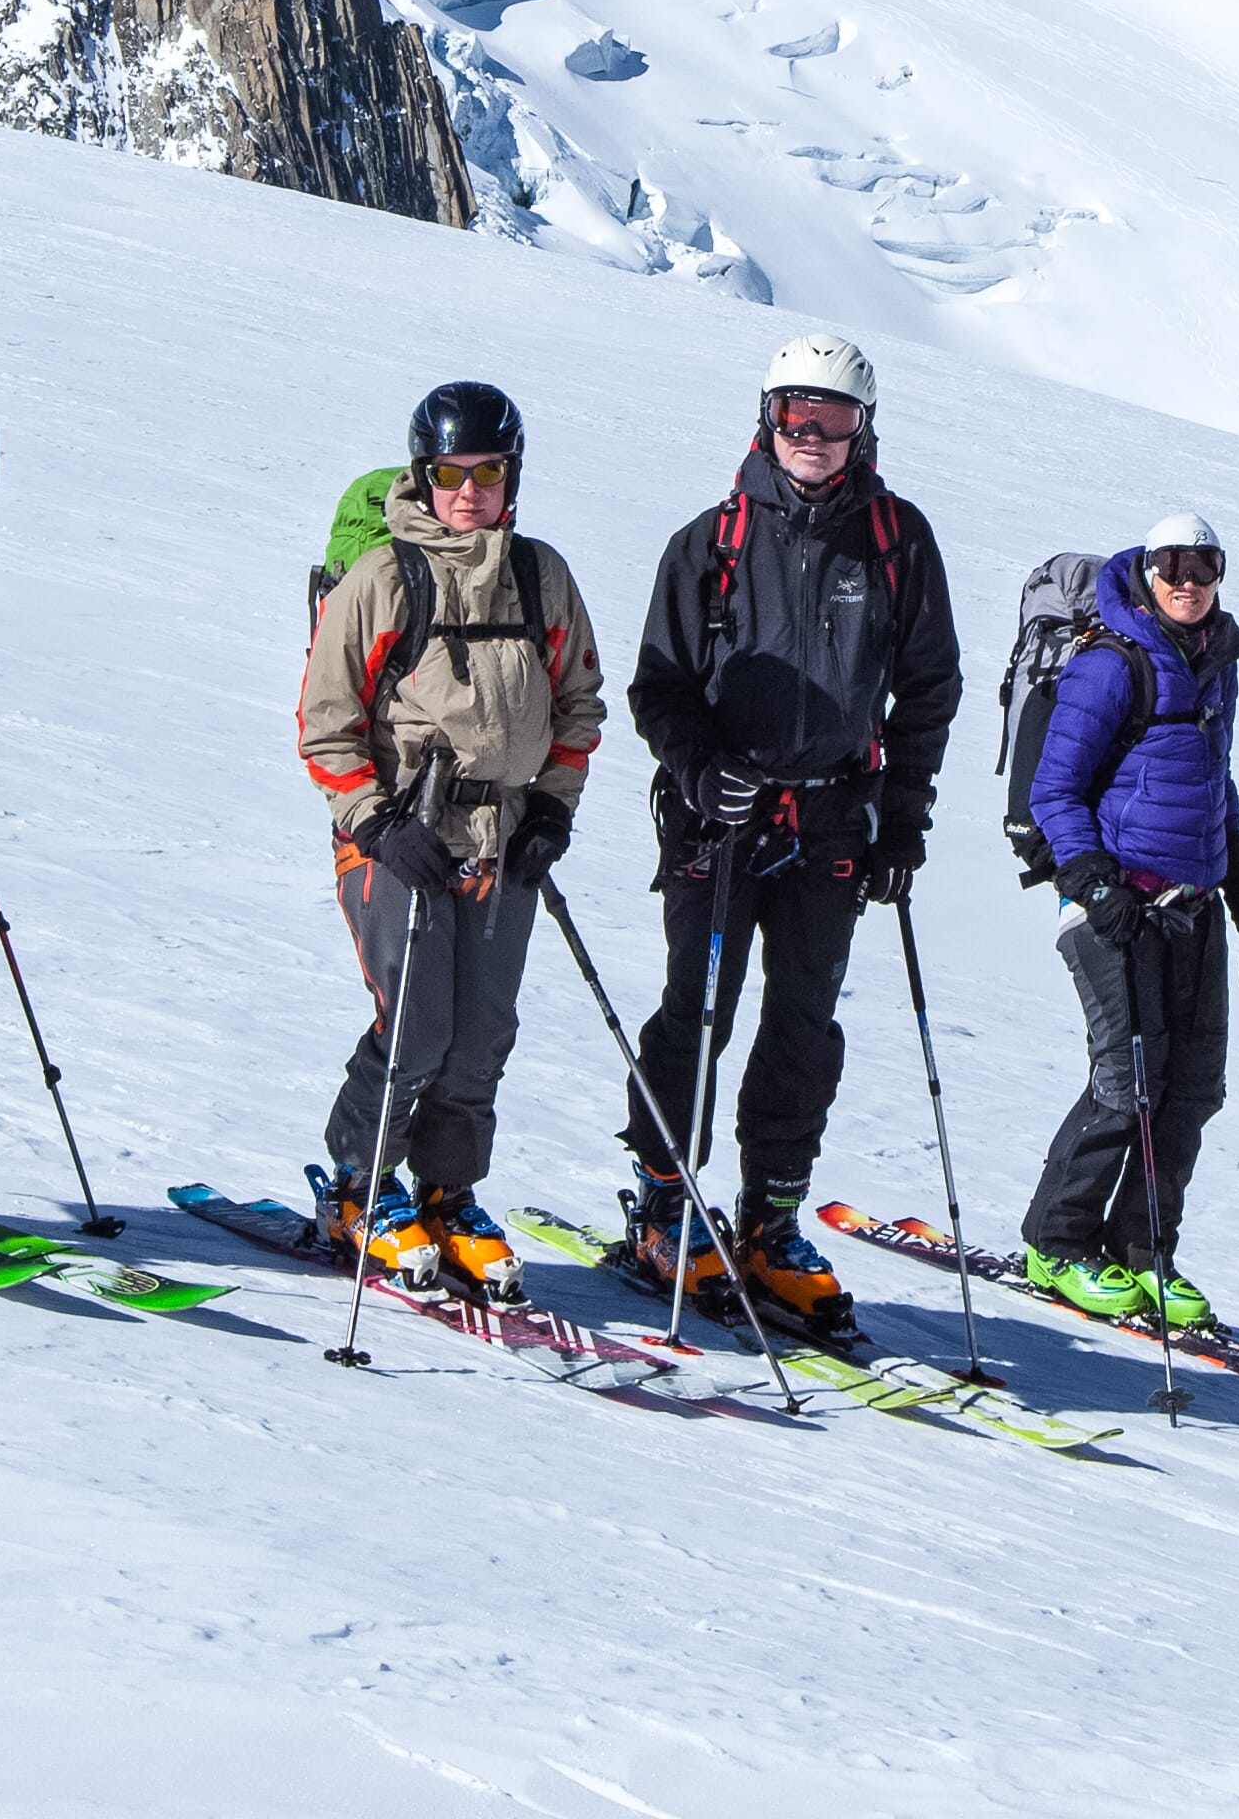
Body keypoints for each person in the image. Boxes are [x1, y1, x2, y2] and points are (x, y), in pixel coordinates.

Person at [613, 328, 962, 1335]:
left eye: (834, 419)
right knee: (699, 1013)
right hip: (717, 824)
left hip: (831, 818)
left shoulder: (897, 541)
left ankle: (768, 1220)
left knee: (804, 1025)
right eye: (795, 416)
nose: (812, 436)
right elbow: (660, 687)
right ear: (766, 420)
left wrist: (903, 820)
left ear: (864, 430)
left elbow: (927, 689)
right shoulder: (711, 540)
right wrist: (698, 769)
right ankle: (665, 1203)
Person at [295, 377, 606, 1299]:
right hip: (401, 832)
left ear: (513, 477)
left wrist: (552, 808)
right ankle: (358, 1186)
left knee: (482, 1036)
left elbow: (579, 707)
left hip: (501, 835)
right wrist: (379, 825)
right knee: (417, 1027)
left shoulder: (542, 575)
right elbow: (325, 724)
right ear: (423, 474)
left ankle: (448, 1192)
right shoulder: (384, 578)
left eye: (489, 472)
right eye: (450, 472)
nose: (469, 491)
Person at [1014, 509, 1239, 1330]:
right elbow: (1053, 790)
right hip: (1114, 905)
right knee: (1126, 1082)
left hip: (1191, 907)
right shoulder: (1110, 663)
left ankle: (1143, 1252)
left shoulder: (1215, 664)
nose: (1190, 585)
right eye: (1174, 569)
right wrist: (1093, 882)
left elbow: (1210, 783)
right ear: (1149, 574)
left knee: (1192, 1088)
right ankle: (1056, 1243)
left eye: (1205, 569)